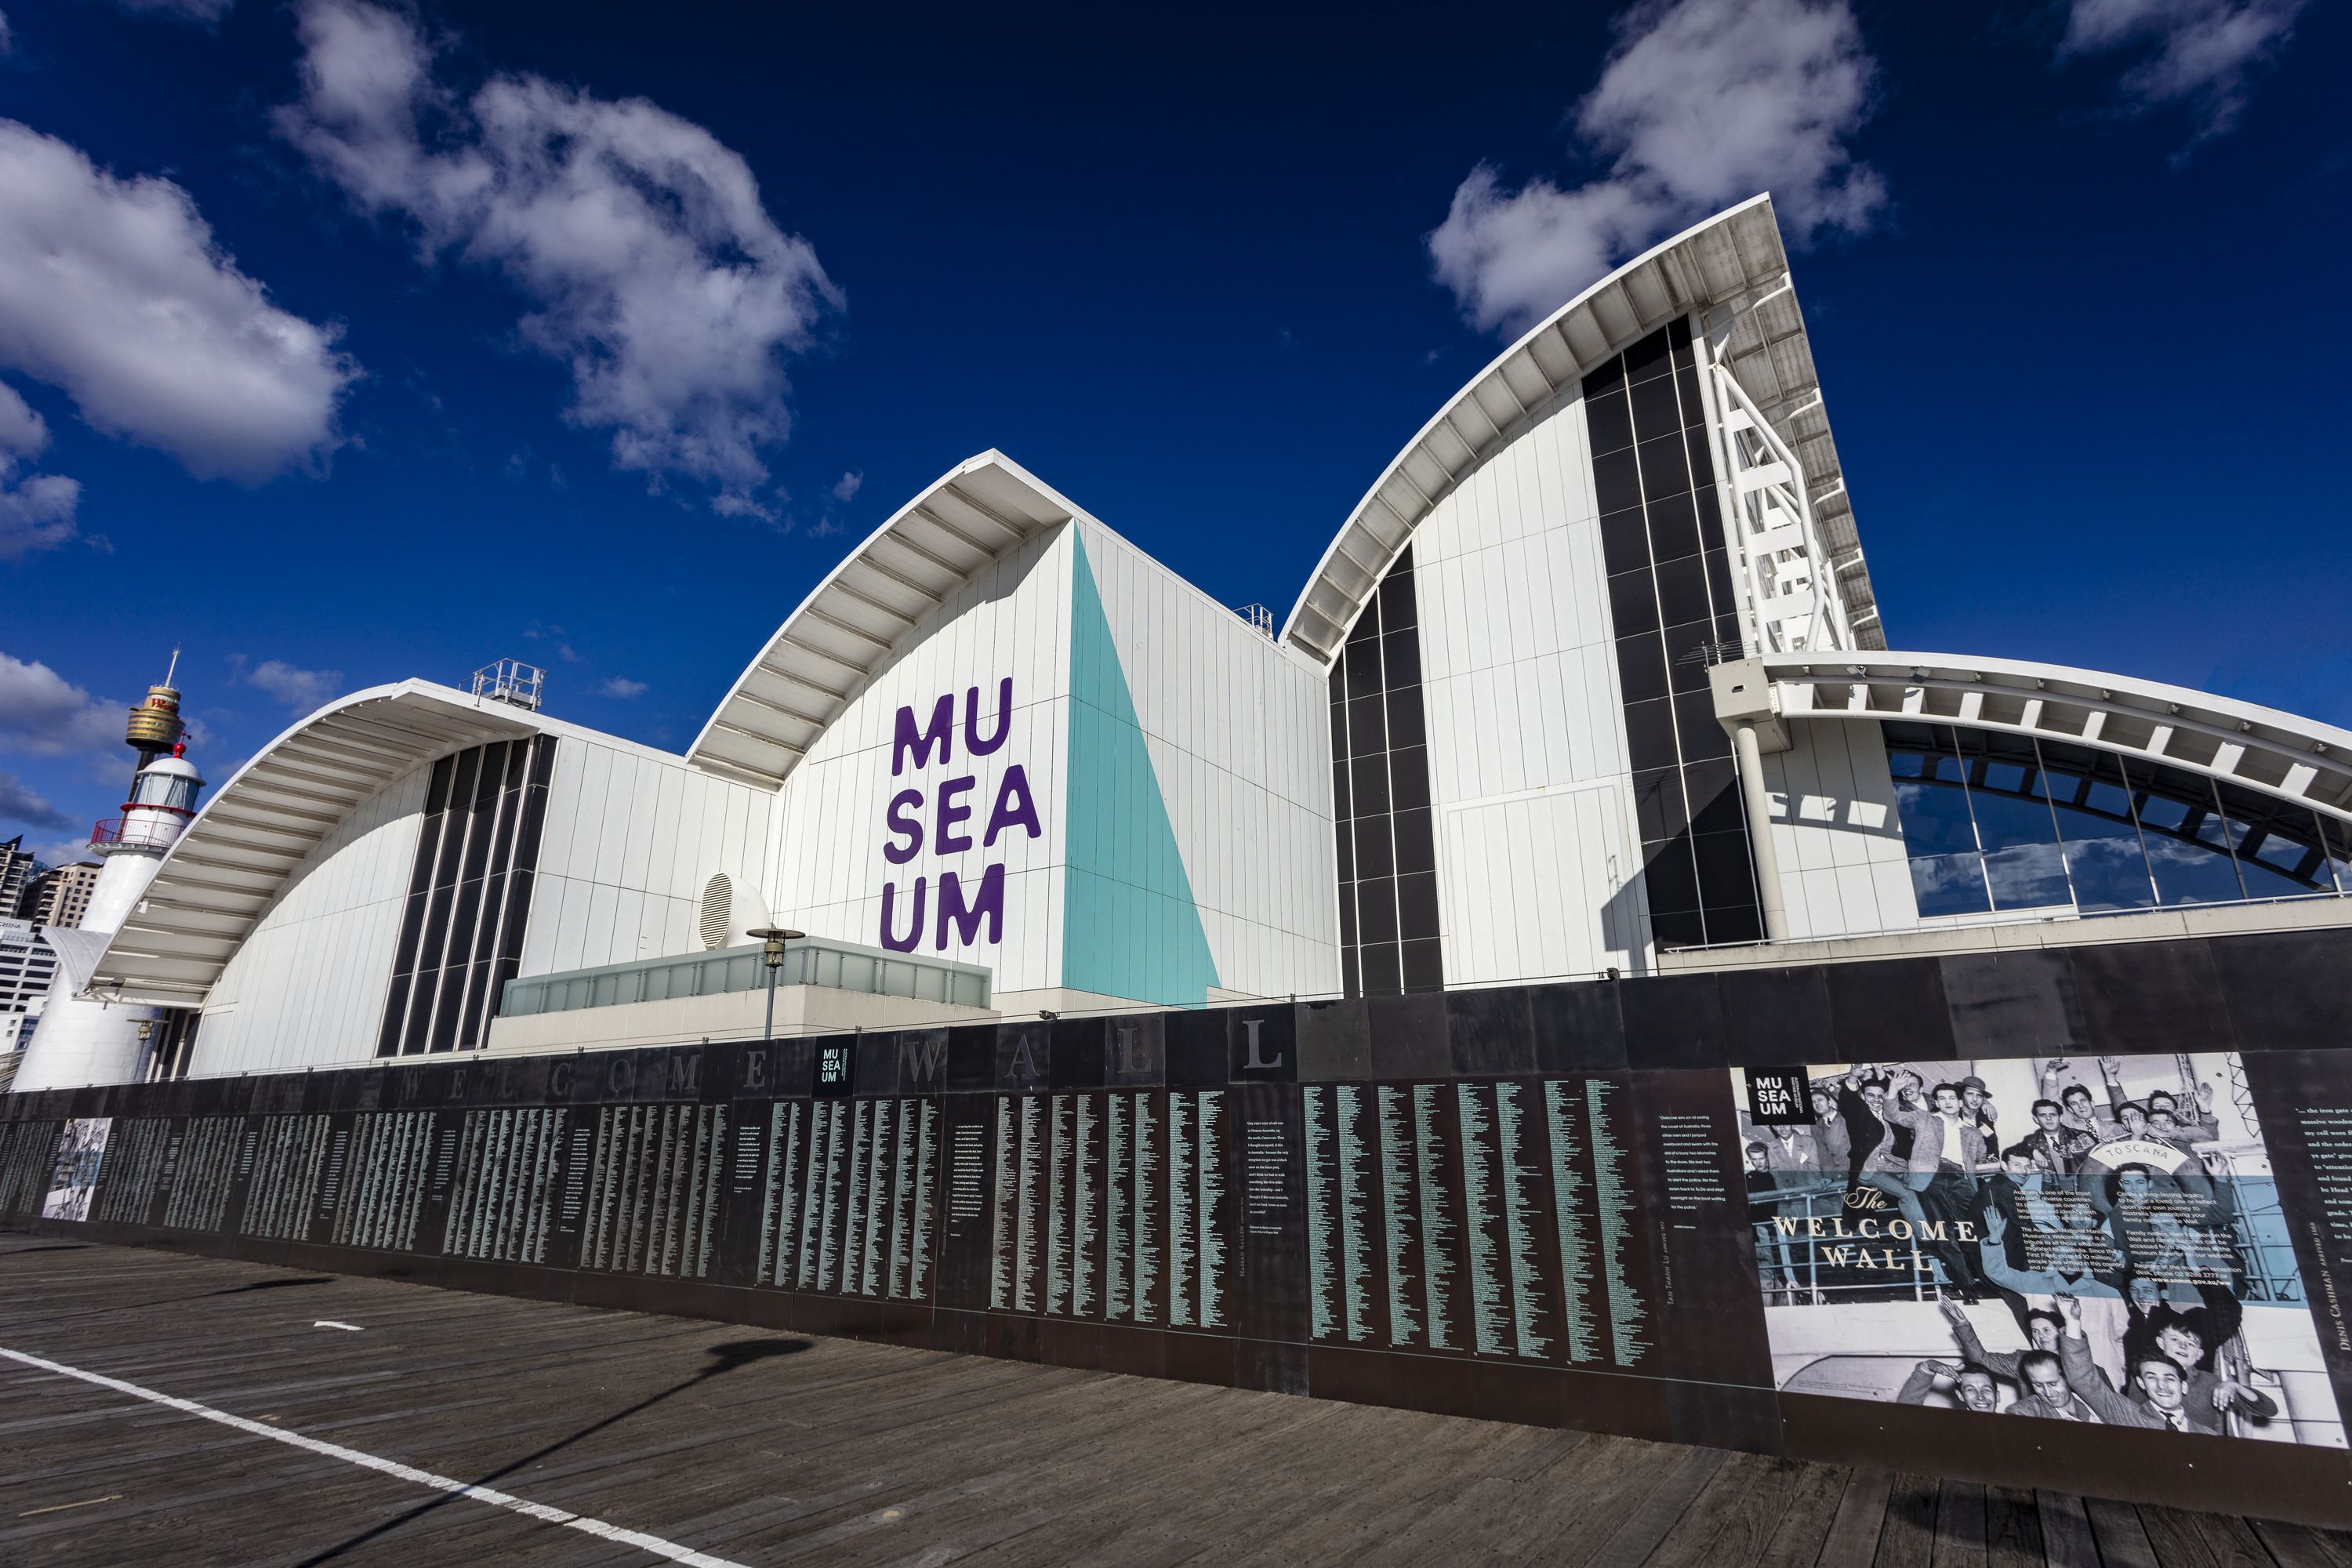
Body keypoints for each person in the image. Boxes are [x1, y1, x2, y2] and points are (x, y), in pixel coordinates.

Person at [2055, 1294, 2223, 1434]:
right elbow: (2083, 1380)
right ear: (2141, 1383)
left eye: (2169, 1379)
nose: (2161, 1386)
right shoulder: (2130, 1415)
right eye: (2152, 1378)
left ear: (2184, 1385)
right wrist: (2072, 1322)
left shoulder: (2207, 1435)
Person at [2007, 1348, 2103, 1421]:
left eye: (2052, 1384)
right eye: (2038, 1385)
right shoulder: (2024, 1413)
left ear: (2067, 1378)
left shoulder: (2096, 1402)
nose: (2048, 1393)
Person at [2019, 1091, 2097, 1175]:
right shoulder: (2030, 1141)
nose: (2048, 1118)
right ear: (2036, 1119)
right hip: (2051, 1187)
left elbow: (2100, 1159)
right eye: (2043, 1115)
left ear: (2061, 1118)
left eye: (2053, 1114)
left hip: (2084, 1183)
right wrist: (2033, 1152)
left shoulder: (2083, 1136)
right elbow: (2013, 1153)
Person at [1897, 1358, 2003, 1413]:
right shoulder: (1949, 1427)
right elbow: (1905, 1412)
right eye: (1971, 1390)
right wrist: (1928, 1366)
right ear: (1960, 1396)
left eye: (1986, 1390)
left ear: (1997, 1396)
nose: (1980, 1397)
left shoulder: (2013, 1427)